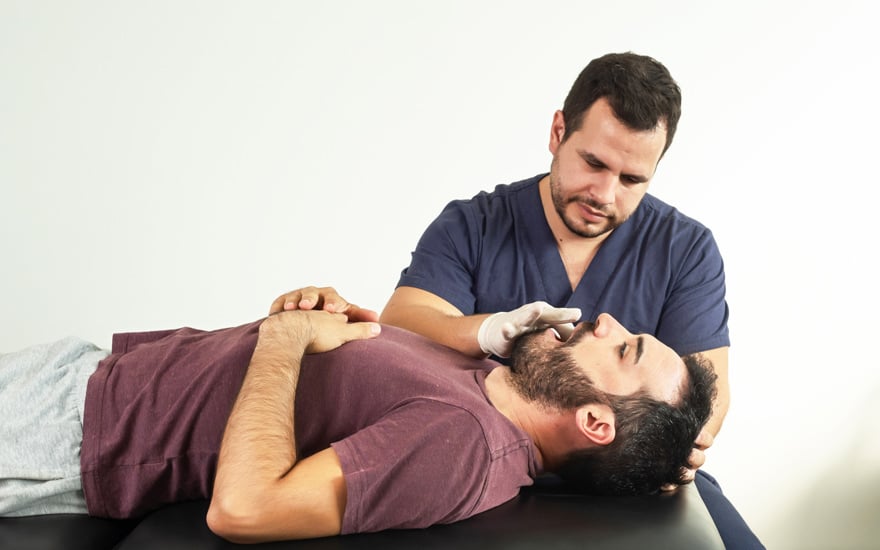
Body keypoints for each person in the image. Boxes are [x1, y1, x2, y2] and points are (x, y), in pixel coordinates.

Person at [357, 51, 758, 548]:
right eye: (594, 163)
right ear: (558, 132)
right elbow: (403, 322)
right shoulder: (475, 225)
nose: (605, 194)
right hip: (477, 459)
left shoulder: (684, 249)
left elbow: (707, 391)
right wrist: (488, 331)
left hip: (627, 487)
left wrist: (676, 448)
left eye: (632, 180)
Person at [0, 289, 715, 544]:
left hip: (76, 432)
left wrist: (282, 342)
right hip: (95, 371)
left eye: (624, 348)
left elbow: (245, 509)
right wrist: (325, 314)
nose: (606, 322)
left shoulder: (465, 446)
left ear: (595, 423)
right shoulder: (488, 380)